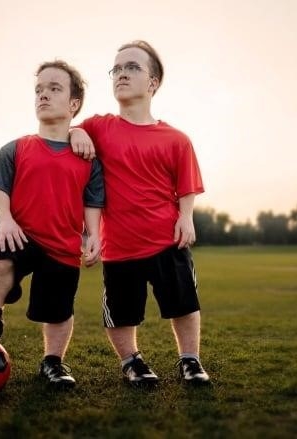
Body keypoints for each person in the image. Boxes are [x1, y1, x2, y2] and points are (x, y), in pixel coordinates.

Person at [69, 40, 210, 386]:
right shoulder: (98, 126)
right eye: (116, 69)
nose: (121, 74)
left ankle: (190, 361)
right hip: (118, 245)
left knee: (184, 304)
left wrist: (186, 215)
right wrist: (75, 132)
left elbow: (187, 184)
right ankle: (132, 361)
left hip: (167, 239)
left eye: (132, 67)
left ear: (153, 83)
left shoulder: (175, 138)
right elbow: (67, 133)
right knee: (120, 313)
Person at [0, 60, 105, 390]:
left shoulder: (87, 157)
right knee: (1, 260)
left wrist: (94, 235)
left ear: (74, 104)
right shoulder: (15, 148)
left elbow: (92, 202)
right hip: (21, 233)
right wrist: (6, 221)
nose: (43, 95)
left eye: (54, 89)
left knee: (58, 311)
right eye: (39, 89)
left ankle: (53, 362)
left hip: (63, 244)